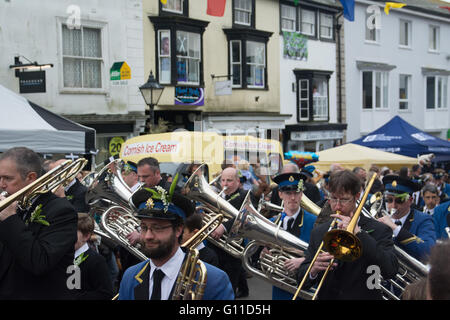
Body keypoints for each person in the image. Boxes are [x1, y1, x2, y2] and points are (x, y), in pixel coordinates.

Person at [296, 170, 398, 300]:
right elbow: (302, 281)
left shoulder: (379, 229)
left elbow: (390, 269)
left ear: (357, 197)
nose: (337, 205)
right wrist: (313, 270)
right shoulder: (319, 232)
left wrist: (360, 235)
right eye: (333, 198)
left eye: (344, 199)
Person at [118, 187, 234, 300]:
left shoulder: (214, 280)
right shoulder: (130, 276)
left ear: (178, 230)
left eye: (157, 228)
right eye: (143, 227)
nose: (148, 236)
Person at [0, 147, 78, 299]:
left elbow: (40, 262)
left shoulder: (61, 210)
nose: (1, 184)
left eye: (8, 178)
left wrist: (10, 218)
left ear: (31, 177)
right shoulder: (11, 206)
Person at [267, 172, 316, 300]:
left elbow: (323, 253)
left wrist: (304, 260)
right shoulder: (272, 223)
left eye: (297, 193)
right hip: (280, 286)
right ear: (280, 194)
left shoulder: (314, 222)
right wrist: (263, 253)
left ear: (301, 194)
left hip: (305, 287)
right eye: (288, 193)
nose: (293, 198)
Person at [209, 167, 250, 298]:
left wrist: (224, 227)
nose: (225, 184)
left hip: (233, 243)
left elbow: (245, 216)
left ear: (238, 181)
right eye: (223, 180)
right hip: (216, 244)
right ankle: (243, 289)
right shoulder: (219, 196)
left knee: (230, 277)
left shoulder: (244, 196)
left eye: (229, 180)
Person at [377, 175, 436, 263]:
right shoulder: (378, 217)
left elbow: (428, 251)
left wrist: (395, 228)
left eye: (399, 200)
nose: (393, 206)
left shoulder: (424, 220)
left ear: (410, 200)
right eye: (389, 200)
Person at [73, 213, 113, 300]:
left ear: (86, 236)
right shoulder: (63, 256)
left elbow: (105, 293)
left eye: (73, 233)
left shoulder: (96, 261)